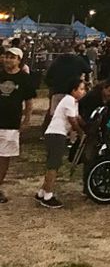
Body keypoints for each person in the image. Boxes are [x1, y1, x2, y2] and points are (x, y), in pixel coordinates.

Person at [37, 78, 85, 209]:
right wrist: (81, 133)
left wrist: (86, 125)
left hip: (58, 134)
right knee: (54, 164)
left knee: (53, 164)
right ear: (73, 90)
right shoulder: (69, 99)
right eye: (81, 89)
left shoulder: (74, 103)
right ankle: (48, 195)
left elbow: (78, 117)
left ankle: (42, 192)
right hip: (56, 134)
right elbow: (72, 120)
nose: (83, 92)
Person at [0, 47, 36, 204]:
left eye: (12, 57)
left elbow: (29, 101)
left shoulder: (24, 78)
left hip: (11, 123)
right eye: (7, 57)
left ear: (19, 60)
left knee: (4, 157)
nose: (8, 60)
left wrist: (27, 120)